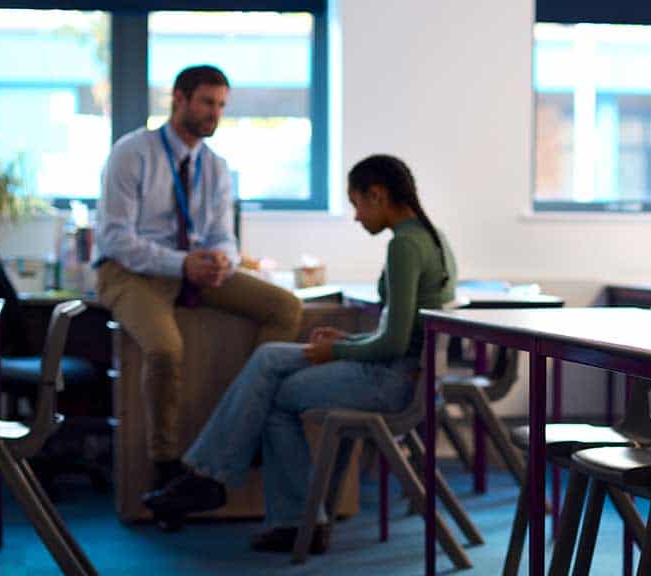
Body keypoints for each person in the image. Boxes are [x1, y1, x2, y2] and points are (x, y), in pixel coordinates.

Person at [143, 154, 457, 552]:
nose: (357, 217)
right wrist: (345, 342)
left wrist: (337, 350)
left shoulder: (404, 247)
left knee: (273, 394)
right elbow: (401, 335)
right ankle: (213, 478)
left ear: (377, 196)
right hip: (401, 373)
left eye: (356, 203)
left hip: (390, 382)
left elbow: (394, 344)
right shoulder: (433, 238)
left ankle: (249, 497)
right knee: (271, 356)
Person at [96, 65, 303, 530]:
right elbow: (114, 239)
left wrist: (223, 259)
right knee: (165, 350)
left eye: (222, 105)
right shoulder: (133, 153)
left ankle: (245, 432)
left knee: (285, 307)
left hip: (194, 269)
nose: (216, 114)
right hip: (132, 271)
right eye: (208, 102)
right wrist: (181, 264)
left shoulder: (215, 167)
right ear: (179, 99)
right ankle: (166, 468)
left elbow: (220, 235)